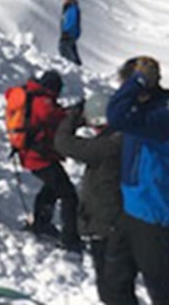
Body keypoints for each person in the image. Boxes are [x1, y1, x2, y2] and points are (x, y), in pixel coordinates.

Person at [103, 56, 169, 305]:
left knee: (162, 293)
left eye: (129, 86)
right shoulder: (142, 111)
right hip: (129, 212)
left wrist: (138, 80)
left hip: (156, 215)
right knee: (114, 285)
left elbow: (116, 116)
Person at [55, 92, 123, 301]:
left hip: (107, 222)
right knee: (118, 286)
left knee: (111, 288)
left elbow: (64, 143)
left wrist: (73, 117)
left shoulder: (108, 145)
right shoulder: (124, 135)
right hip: (120, 220)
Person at [6, 70, 81, 251]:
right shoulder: (43, 101)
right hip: (38, 157)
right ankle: (69, 238)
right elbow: (55, 117)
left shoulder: (33, 96)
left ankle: (41, 223)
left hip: (33, 155)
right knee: (68, 195)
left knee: (52, 187)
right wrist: (76, 113)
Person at [60, 0, 82, 65]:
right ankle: (76, 65)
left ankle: (74, 65)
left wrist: (67, 31)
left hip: (70, 33)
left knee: (64, 48)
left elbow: (73, 22)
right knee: (70, 49)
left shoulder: (73, 8)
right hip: (67, 32)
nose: (63, 0)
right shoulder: (67, 8)